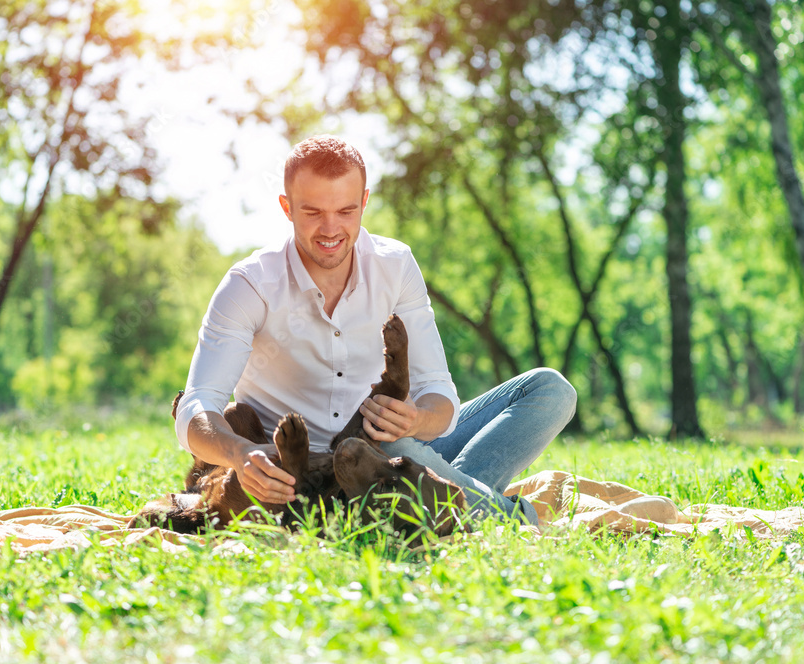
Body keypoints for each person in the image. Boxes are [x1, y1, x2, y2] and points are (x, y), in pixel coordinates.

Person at [174, 135, 577, 525]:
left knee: (550, 390)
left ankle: (447, 495)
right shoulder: (250, 285)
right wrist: (240, 452)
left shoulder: (395, 264)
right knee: (398, 449)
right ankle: (499, 516)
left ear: (364, 202)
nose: (331, 229)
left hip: (393, 452)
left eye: (346, 211)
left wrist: (417, 420)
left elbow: (439, 394)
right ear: (287, 207)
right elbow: (198, 403)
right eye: (313, 212)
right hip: (307, 478)